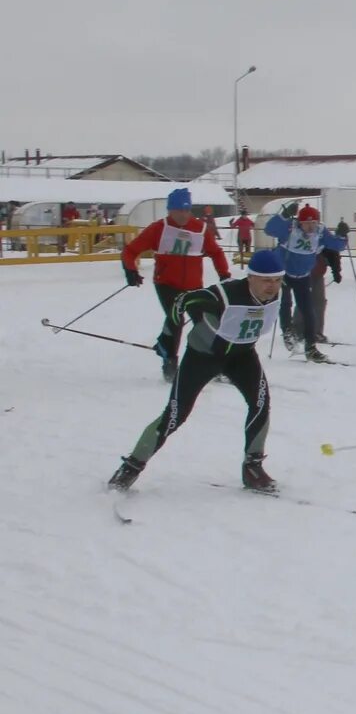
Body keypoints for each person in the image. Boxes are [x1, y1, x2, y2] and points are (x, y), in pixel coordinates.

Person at [107, 248, 287, 495]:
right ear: (251, 277)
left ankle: (252, 468)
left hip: (241, 355)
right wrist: (169, 341)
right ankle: (130, 467)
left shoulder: (277, 294)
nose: (272, 286)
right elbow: (181, 303)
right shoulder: (224, 294)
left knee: (261, 403)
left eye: (277, 280)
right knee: (175, 415)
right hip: (203, 357)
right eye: (266, 280)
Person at [121, 187, 232, 382]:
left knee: (207, 321)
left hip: (194, 286)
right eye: (179, 210)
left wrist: (224, 274)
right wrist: (130, 270)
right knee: (176, 319)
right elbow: (130, 251)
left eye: (187, 210)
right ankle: (170, 360)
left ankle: (214, 363)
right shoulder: (158, 229)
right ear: (169, 210)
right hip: (167, 284)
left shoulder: (200, 229)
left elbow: (216, 252)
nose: (183, 215)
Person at [264, 205, 334, 363]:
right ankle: (287, 332)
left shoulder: (319, 232)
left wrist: (343, 236)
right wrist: (283, 216)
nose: (310, 226)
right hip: (283, 272)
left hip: (302, 275)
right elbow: (269, 229)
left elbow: (335, 244)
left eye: (314, 223)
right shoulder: (290, 229)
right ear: (300, 223)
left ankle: (311, 348)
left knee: (308, 310)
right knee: (285, 302)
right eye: (306, 223)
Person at [308, 220, 349, 344]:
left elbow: (334, 251)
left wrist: (336, 271)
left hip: (318, 273)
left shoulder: (322, 234)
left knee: (319, 302)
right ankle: (300, 331)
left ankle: (316, 332)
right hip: (302, 273)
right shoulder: (298, 233)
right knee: (305, 302)